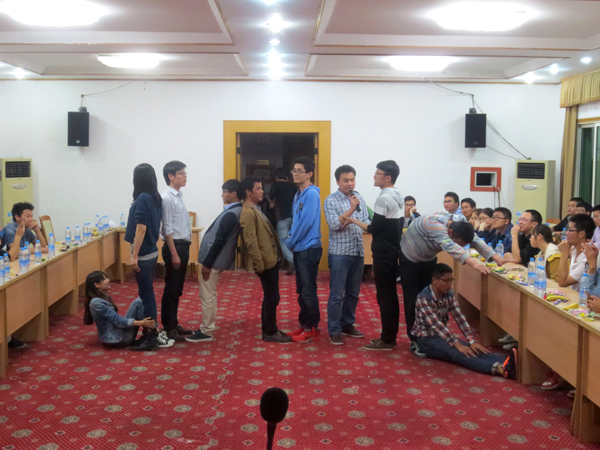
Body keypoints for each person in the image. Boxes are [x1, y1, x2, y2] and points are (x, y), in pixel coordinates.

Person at [399, 214, 507, 357]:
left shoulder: (459, 223)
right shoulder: (433, 224)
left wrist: (495, 257)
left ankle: (434, 335)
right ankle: (415, 339)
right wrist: (474, 263)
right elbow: (450, 246)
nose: (460, 247)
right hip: (410, 258)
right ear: (450, 232)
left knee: (432, 297)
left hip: (428, 259)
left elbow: (475, 239)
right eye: (459, 244)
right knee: (413, 300)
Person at [412, 263, 517, 379]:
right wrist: (457, 344)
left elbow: (459, 317)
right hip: (426, 339)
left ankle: (508, 361)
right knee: (459, 352)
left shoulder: (449, 294)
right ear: (434, 280)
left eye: (451, 280)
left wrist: (471, 340)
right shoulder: (424, 298)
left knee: (473, 349)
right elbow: (437, 326)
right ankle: (499, 369)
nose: (449, 284)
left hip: (442, 336)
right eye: (446, 280)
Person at [342, 160, 403, 351]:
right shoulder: (398, 195)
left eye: (378, 173)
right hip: (392, 250)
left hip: (383, 253)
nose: (374, 176)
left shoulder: (383, 198)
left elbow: (374, 228)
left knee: (385, 297)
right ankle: (389, 336)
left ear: (388, 177)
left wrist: (352, 220)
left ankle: (387, 340)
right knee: (390, 296)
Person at [187, 179, 243, 343]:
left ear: (233, 194)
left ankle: (206, 331)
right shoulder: (233, 210)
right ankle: (206, 328)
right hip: (216, 261)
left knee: (208, 295)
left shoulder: (232, 213)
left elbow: (219, 241)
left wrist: (207, 264)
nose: (222, 195)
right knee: (208, 294)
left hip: (214, 262)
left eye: (224, 191)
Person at [124, 163, 171, 351]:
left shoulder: (143, 198)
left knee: (146, 296)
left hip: (143, 253)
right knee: (147, 294)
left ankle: (151, 334)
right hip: (151, 250)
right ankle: (149, 332)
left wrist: (134, 255)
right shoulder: (154, 197)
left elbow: (141, 228)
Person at [240, 176, 292, 343]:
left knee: (273, 296)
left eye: (261, 188)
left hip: (270, 258)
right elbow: (251, 242)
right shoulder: (247, 212)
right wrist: (258, 263)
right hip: (264, 261)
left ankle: (272, 328)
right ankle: (269, 331)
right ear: (248, 192)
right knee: (271, 297)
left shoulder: (255, 208)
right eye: (258, 188)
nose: (262, 192)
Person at [323, 165, 370, 345]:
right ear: (337, 181)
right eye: (346, 180)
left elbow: (365, 221)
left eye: (352, 179)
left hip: (358, 251)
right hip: (339, 253)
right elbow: (334, 225)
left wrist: (352, 218)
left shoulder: (359, 197)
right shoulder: (331, 201)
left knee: (353, 293)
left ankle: (347, 324)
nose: (350, 183)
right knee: (337, 295)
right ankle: (334, 330)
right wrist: (351, 210)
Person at [286, 157, 323, 343]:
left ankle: (312, 327)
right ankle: (304, 324)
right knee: (301, 290)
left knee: (308, 291)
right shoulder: (298, 194)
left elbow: (307, 222)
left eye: (299, 171)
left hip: (309, 248)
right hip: (299, 247)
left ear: (309, 174)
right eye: (294, 170)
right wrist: (291, 236)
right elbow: (296, 221)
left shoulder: (311, 194)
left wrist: (291, 241)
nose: (295, 174)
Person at [83, 271, 165, 348]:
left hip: (117, 334)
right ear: (97, 285)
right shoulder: (97, 302)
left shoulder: (100, 298)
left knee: (141, 300)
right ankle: (152, 333)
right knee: (140, 302)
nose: (108, 280)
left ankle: (152, 332)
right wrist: (141, 323)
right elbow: (118, 321)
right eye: (104, 279)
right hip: (118, 339)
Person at [160, 161, 193, 342]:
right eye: (181, 173)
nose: (185, 176)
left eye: (185, 173)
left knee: (177, 289)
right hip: (175, 246)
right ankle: (168, 327)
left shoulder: (178, 196)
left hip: (182, 245)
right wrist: (174, 253)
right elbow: (167, 228)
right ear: (171, 176)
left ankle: (174, 323)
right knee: (171, 288)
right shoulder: (167, 198)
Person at [269, 168, 298, 275]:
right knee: (292, 240)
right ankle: (293, 261)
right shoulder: (293, 186)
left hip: (282, 216)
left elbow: (271, 196)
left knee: (282, 241)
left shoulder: (276, 185)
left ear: (276, 177)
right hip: (294, 217)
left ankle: (292, 260)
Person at [557, 213, 596, 291]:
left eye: (570, 230)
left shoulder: (588, 257)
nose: (566, 233)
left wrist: (564, 253)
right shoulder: (574, 249)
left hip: (582, 297)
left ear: (581, 234)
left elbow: (562, 282)